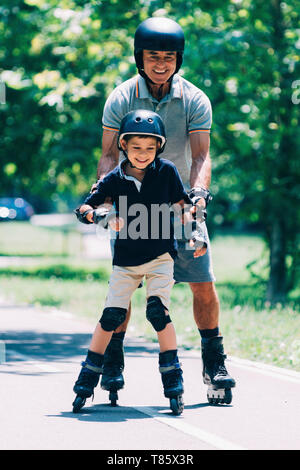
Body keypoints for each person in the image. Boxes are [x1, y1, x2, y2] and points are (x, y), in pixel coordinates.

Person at [94, 17, 235, 405]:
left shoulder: (195, 99)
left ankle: (213, 361)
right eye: (153, 56)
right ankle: (113, 357)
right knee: (125, 286)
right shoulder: (121, 97)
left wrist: (199, 194)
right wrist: (105, 199)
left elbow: (201, 154)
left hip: (179, 203)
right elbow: (108, 155)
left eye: (168, 57)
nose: (161, 64)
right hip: (135, 207)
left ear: (178, 60)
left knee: (202, 282)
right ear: (140, 58)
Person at [72, 109, 206, 414]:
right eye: (136, 148)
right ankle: (88, 375)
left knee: (158, 312)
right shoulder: (114, 179)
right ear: (123, 146)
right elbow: (83, 209)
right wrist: (101, 216)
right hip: (126, 262)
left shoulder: (167, 171)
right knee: (110, 317)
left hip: (160, 258)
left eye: (149, 148)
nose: (142, 154)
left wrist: (196, 229)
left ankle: (172, 377)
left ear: (158, 147)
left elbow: (184, 206)